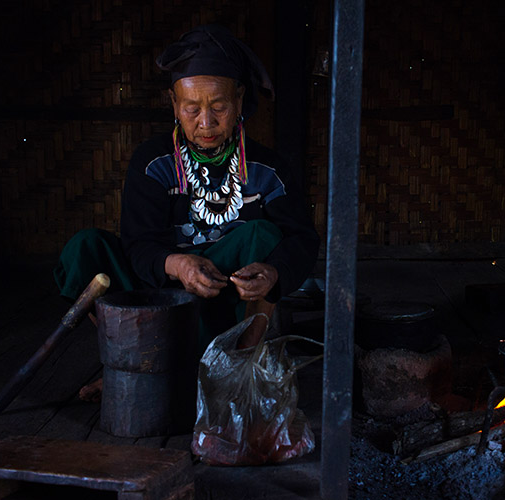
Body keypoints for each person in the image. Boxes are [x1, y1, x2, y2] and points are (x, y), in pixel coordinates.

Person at [54, 24, 319, 367]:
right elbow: (139, 244)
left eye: (219, 107)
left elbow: (302, 239)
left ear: (239, 100)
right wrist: (177, 264)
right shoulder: (153, 163)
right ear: (174, 104)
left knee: (264, 234)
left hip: (229, 300)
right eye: (192, 108)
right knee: (85, 248)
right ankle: (129, 364)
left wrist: (274, 273)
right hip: (157, 296)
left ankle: (236, 364)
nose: (206, 123)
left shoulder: (269, 170)